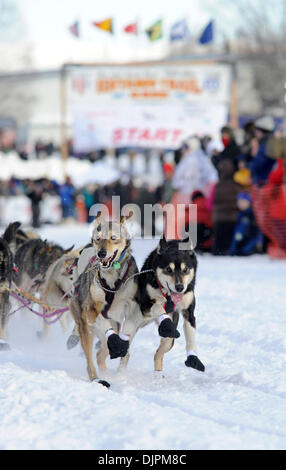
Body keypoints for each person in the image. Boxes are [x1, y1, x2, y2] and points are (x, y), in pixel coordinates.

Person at [211, 159, 242, 255]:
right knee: (229, 238)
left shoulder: (217, 186)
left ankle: (217, 250)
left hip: (218, 218)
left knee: (218, 239)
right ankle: (229, 250)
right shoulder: (237, 186)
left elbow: (210, 203)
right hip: (233, 217)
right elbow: (240, 201)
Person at [229, 192, 263, 256]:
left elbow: (256, 235)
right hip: (241, 238)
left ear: (249, 202)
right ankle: (235, 249)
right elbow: (237, 234)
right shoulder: (240, 214)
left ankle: (244, 250)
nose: (241, 204)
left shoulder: (253, 215)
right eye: (239, 202)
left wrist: (245, 251)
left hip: (250, 240)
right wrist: (232, 250)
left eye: (243, 202)